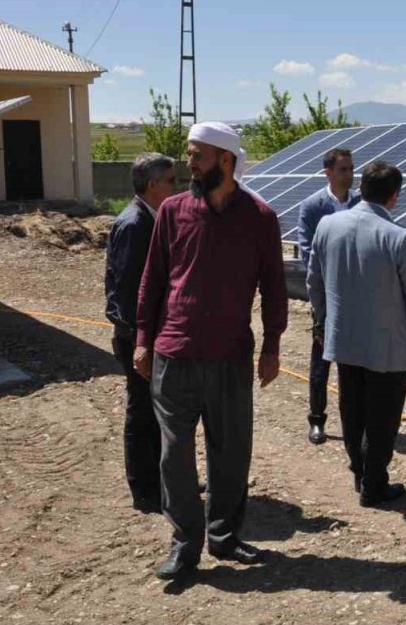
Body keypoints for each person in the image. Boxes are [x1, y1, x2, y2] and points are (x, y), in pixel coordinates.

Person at [135, 122, 287, 580]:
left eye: (196, 154)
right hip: (174, 353)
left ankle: (224, 537)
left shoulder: (259, 217)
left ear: (224, 159)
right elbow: (152, 280)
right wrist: (143, 338)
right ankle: (185, 544)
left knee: (231, 452)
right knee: (173, 455)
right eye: (188, 154)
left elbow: (274, 289)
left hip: (230, 357)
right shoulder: (173, 211)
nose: (188, 163)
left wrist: (272, 346)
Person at [307, 160, 406, 506]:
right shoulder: (398, 237)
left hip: (343, 339)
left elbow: (314, 280)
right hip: (387, 346)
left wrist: (322, 321)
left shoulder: (328, 225)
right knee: (382, 418)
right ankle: (374, 484)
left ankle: (359, 473)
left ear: (361, 188)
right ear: (395, 196)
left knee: (352, 410)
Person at [104, 152, 177, 514]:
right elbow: (128, 290)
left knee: (160, 411)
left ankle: (164, 481)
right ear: (152, 185)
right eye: (171, 181)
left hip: (150, 334)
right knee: (142, 412)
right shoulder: (135, 225)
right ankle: (145, 490)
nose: (176, 188)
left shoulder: (152, 220)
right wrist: (141, 342)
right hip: (137, 337)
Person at [296, 148, 361, 445]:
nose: (349, 174)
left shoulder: (362, 203)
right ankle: (317, 420)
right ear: (328, 172)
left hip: (358, 295)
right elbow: (308, 252)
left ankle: (356, 421)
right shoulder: (312, 206)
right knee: (321, 361)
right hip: (326, 295)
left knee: (356, 364)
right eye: (343, 169)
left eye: (350, 169)